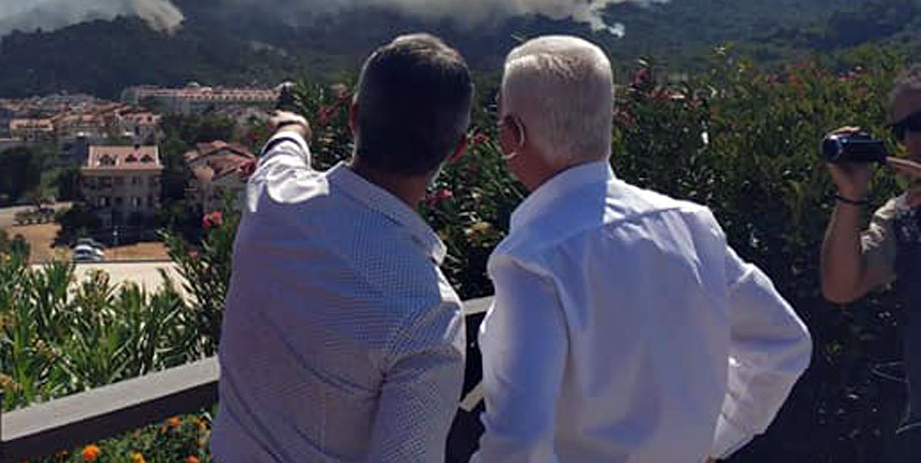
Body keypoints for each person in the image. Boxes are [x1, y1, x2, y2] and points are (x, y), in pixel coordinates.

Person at [472, 35, 810, 463]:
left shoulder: (531, 259)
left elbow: (517, 445)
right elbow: (784, 343)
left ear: (512, 135)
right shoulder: (691, 225)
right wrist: (713, 442)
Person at [212, 33, 473, 463]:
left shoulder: (274, 199)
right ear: (458, 150)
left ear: (354, 118)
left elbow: (282, 154)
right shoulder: (429, 314)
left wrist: (295, 128)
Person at [820, 63, 921, 457]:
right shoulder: (902, 216)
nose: (912, 139)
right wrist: (850, 195)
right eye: (903, 129)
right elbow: (841, 286)